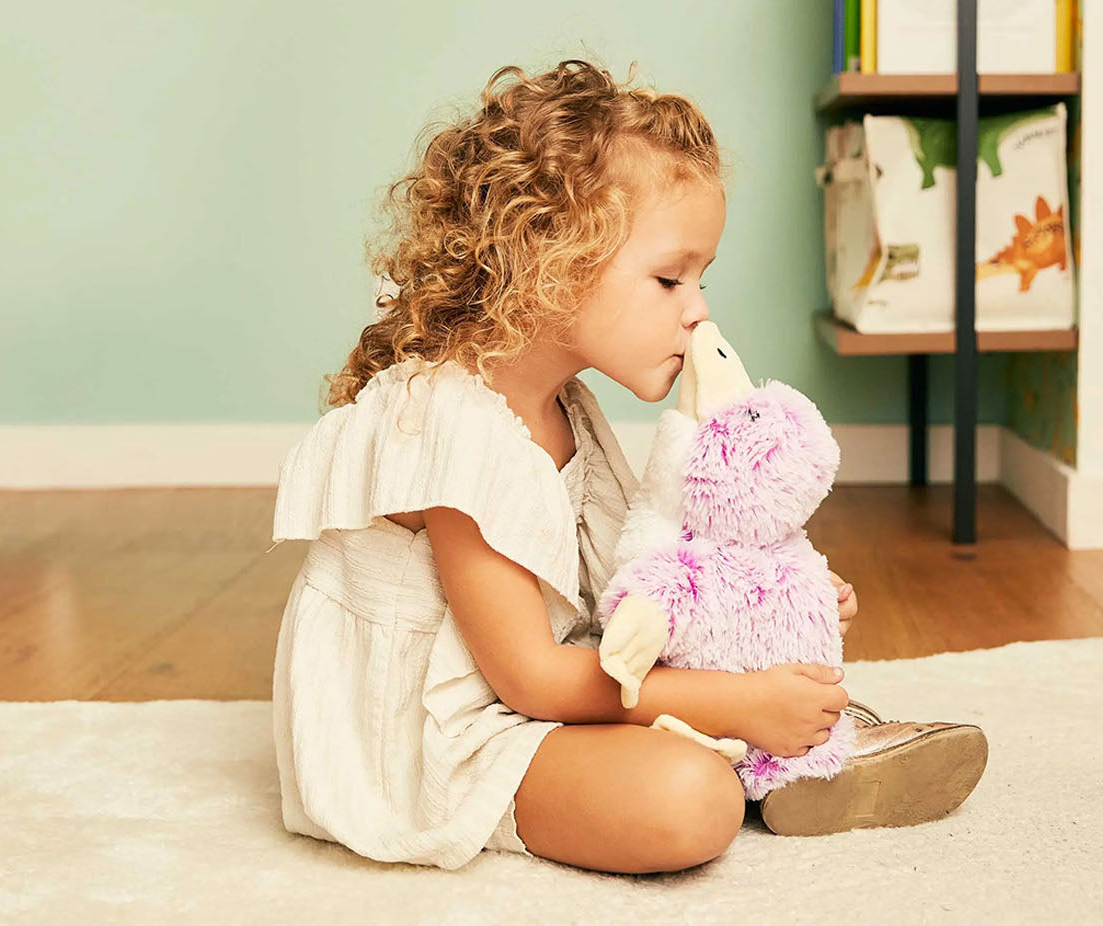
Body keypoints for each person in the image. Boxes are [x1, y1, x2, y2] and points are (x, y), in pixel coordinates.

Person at [268, 59, 986, 875]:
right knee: (689, 799)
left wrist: (757, 603)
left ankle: (792, 752)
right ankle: (766, 754)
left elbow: (615, 588)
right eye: (669, 277)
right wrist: (737, 702)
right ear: (549, 259)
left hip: (528, 702)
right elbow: (532, 681)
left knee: (716, 705)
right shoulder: (450, 427)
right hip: (443, 742)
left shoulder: (562, 403)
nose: (699, 309)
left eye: (701, 278)